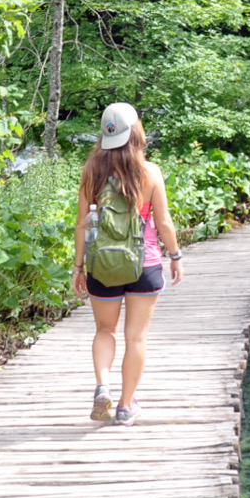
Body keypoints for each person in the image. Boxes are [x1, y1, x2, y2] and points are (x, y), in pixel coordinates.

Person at [72, 102, 184, 425]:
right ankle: (124, 407)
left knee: (105, 330)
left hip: (102, 266)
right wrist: (174, 255)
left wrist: (78, 268)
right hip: (144, 266)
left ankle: (103, 386)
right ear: (136, 132)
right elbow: (163, 223)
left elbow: (81, 224)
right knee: (136, 338)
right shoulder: (149, 172)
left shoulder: (91, 172)